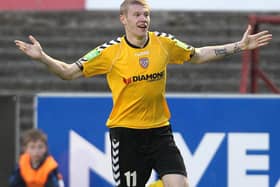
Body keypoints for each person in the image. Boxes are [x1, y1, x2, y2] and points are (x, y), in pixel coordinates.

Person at [14, 0, 272, 186]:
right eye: (137, 14)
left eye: (146, 14)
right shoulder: (109, 52)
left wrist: (240, 46)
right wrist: (42, 57)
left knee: (179, 184)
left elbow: (198, 54)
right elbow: (68, 72)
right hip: (126, 134)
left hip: (160, 130)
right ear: (123, 19)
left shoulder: (164, 43)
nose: (143, 19)